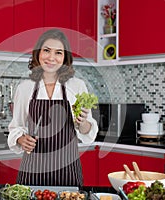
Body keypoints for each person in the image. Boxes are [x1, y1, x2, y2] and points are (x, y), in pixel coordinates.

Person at [7, 29, 98, 186]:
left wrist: (82, 122)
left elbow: (87, 131)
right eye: (47, 51)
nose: (51, 58)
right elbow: (16, 127)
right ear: (38, 53)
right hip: (33, 170)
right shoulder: (25, 88)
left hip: (67, 169)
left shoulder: (77, 86)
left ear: (64, 57)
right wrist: (21, 139)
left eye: (58, 53)